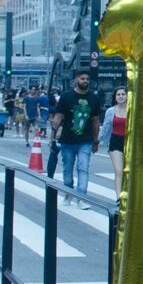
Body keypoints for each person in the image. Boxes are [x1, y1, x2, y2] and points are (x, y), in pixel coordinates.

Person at [51, 69, 102, 205]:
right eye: (82, 78)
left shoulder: (94, 99)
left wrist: (95, 140)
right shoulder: (66, 97)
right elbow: (58, 117)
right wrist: (52, 135)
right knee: (68, 168)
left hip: (85, 140)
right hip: (67, 139)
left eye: (87, 79)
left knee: (83, 168)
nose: (85, 81)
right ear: (76, 80)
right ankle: (68, 194)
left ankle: (82, 198)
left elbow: (96, 121)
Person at [102, 85, 130, 196]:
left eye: (123, 94)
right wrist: (98, 141)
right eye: (118, 94)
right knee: (119, 171)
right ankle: (119, 198)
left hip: (129, 142)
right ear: (115, 97)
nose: (121, 96)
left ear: (128, 96)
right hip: (115, 141)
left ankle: (128, 194)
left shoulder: (133, 110)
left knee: (128, 171)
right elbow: (105, 128)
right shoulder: (110, 111)